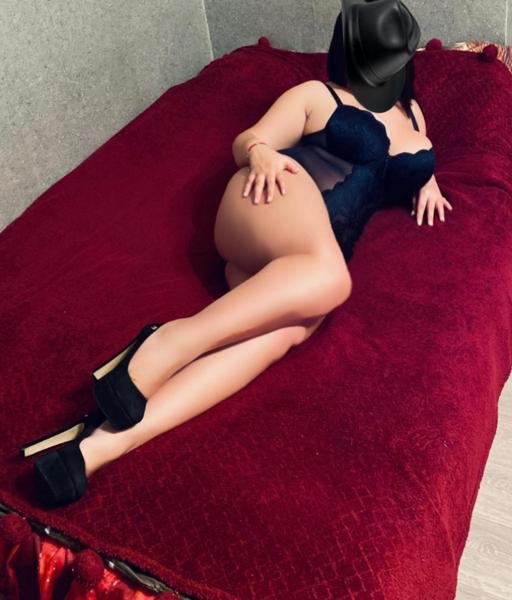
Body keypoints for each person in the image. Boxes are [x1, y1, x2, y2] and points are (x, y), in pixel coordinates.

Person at [23, 11, 452, 507]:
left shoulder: (413, 113)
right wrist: (262, 153)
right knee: (335, 280)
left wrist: (426, 180)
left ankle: (93, 451)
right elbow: (249, 139)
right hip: (270, 201)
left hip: (295, 267)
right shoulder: (318, 94)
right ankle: (167, 343)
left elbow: (409, 157)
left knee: (286, 333)